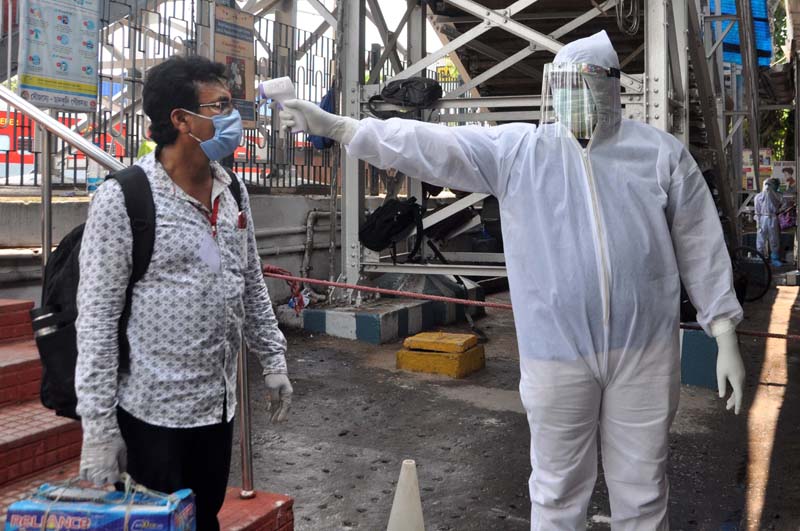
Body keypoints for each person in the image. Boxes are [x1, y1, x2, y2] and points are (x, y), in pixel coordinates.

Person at [280, 31, 745, 530]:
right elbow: (434, 146)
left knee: (645, 486)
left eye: (585, 84)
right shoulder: (521, 151)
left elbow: (699, 241)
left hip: (645, 354)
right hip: (557, 354)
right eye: (564, 85)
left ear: (614, 87)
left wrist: (723, 330)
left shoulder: (658, 155)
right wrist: (346, 128)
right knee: (557, 488)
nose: (574, 97)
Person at [75, 56, 293, 531]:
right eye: (221, 106)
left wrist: (272, 361)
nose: (233, 118)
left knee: (204, 518)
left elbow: (248, 280)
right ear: (180, 119)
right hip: (152, 414)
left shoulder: (231, 190)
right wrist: (97, 426)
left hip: (216, 408)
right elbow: (95, 320)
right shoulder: (125, 199)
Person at [755, 177, 784, 266]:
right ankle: (760, 258)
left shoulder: (778, 195)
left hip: (773, 217)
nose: (767, 187)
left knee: (774, 238)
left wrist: (780, 211)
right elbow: (757, 211)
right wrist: (758, 222)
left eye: (770, 184)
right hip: (762, 218)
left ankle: (774, 258)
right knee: (761, 239)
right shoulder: (758, 197)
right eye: (766, 184)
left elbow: (784, 204)